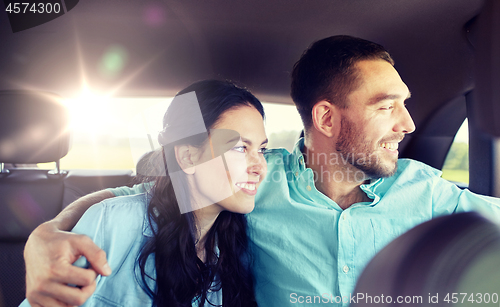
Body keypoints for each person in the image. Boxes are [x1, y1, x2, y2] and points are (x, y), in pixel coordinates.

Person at [23, 35, 500, 307]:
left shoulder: (429, 192)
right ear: (327, 118)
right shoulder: (253, 184)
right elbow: (146, 195)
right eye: (386, 106)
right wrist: (44, 236)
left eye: (260, 147)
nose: (407, 124)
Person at [20, 79, 268, 307]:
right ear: (188, 157)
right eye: (239, 148)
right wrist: (46, 231)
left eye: (262, 150)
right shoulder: (112, 225)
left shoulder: (232, 243)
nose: (261, 168)